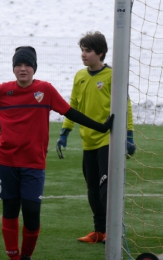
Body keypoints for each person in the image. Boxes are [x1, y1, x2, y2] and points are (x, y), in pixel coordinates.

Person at [0, 46, 114, 260]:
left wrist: (100, 127)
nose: (23, 69)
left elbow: (70, 112)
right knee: (10, 210)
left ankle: (26, 256)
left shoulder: (45, 91)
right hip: (5, 161)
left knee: (31, 213)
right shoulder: (4, 90)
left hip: (33, 162)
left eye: (27, 65)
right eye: (18, 65)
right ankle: (14, 258)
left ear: (34, 68)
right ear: (13, 69)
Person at [56, 31, 136, 244]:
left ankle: (114, 231)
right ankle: (99, 231)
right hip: (88, 141)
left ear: (100, 53)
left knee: (105, 188)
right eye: (82, 50)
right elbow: (73, 105)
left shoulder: (112, 76)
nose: (83, 54)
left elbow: (125, 104)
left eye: (88, 50)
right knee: (92, 189)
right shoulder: (80, 76)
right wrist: (65, 132)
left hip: (108, 140)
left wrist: (129, 135)